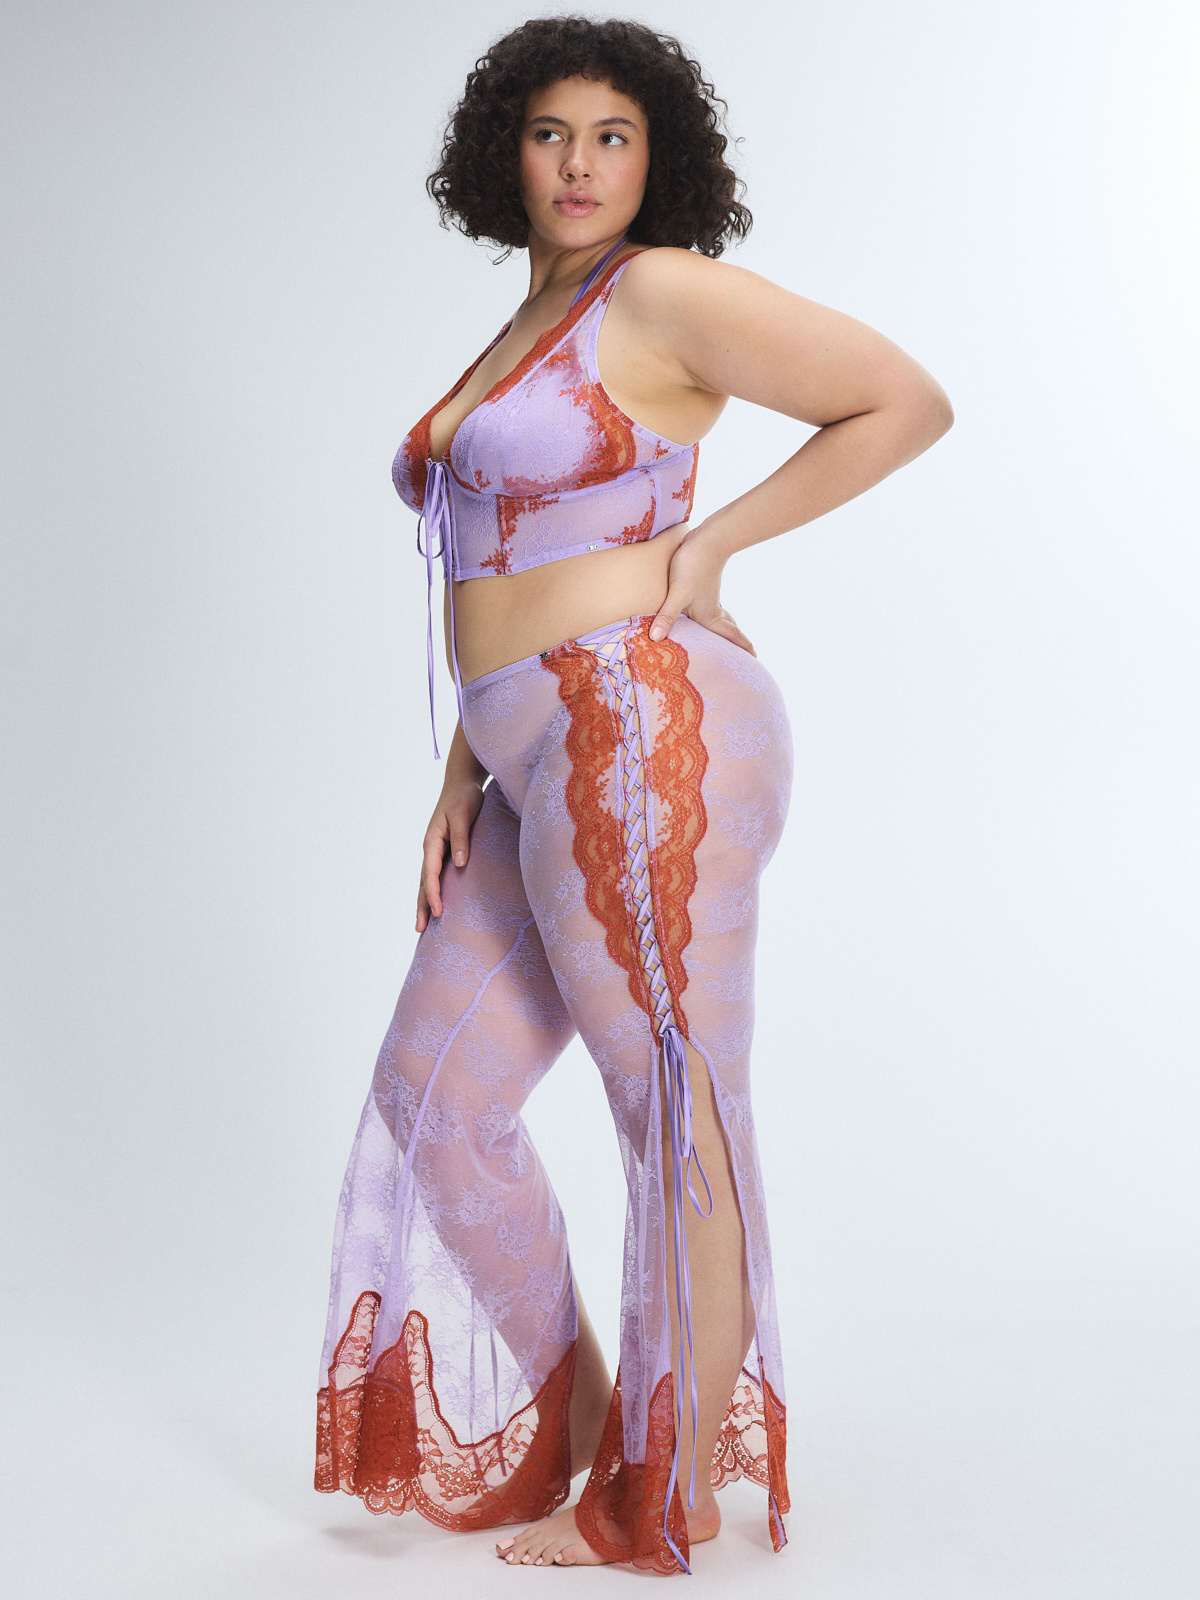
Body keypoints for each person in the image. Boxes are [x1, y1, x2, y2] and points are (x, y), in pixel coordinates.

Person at [314, 16, 952, 1576]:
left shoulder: (659, 291)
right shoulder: (531, 314)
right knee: (438, 1102)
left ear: (659, 156)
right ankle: (600, 1432)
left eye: (614, 134)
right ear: (506, 153)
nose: (580, 163)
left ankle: (660, 1493)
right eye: (551, 132)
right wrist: (465, 764)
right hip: (530, 752)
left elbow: (902, 399)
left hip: (643, 725)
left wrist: (712, 545)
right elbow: (494, 567)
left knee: (671, 1102)